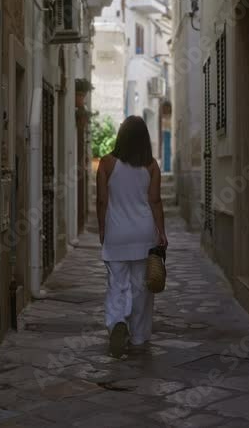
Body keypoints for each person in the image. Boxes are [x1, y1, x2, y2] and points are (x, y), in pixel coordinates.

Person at [96, 115, 169, 357]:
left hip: (116, 232)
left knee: (117, 284)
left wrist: (102, 229)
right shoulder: (151, 165)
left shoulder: (106, 163)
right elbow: (155, 201)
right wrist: (162, 232)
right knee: (141, 287)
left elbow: (102, 201)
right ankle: (138, 336)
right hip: (143, 233)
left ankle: (117, 322)